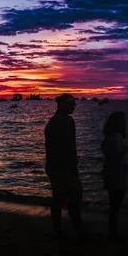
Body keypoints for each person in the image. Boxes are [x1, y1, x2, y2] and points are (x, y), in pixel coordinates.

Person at [44, 93, 84, 239]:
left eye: (74, 104)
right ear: (62, 105)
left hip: (55, 166)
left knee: (59, 198)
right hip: (62, 167)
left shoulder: (54, 122)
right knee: (73, 199)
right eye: (71, 104)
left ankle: (59, 229)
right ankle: (78, 231)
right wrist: (71, 167)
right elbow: (67, 147)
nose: (73, 106)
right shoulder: (66, 121)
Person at [101, 112, 128, 240]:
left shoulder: (108, 137)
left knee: (114, 203)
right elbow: (117, 155)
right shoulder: (116, 137)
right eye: (123, 121)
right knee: (115, 204)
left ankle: (112, 231)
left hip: (110, 172)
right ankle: (113, 233)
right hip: (116, 173)